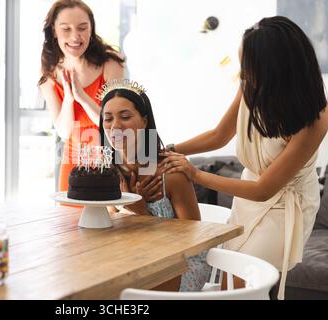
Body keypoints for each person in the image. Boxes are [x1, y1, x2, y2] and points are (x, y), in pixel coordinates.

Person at [160, 16, 328, 299]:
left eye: (249, 69)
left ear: (275, 69)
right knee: (230, 279)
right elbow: (219, 134)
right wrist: (170, 149)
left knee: (245, 285)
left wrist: (195, 174)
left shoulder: (316, 119)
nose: (243, 75)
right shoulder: (252, 85)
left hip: (284, 207)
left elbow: (264, 191)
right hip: (247, 196)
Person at [98, 79, 211, 291]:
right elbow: (109, 233)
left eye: (125, 117)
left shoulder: (170, 172)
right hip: (132, 261)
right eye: (108, 118)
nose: (115, 126)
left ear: (144, 121)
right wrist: (122, 205)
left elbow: (193, 241)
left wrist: (140, 212)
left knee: (120, 293)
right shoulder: (109, 172)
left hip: (180, 264)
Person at [38, 0, 125, 192]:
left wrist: (83, 97)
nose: (75, 37)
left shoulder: (110, 64)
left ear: (91, 28)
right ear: (54, 31)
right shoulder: (49, 73)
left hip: (110, 157)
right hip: (73, 161)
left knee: (111, 219)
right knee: (69, 221)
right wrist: (69, 99)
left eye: (82, 28)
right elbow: (64, 131)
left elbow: (113, 124)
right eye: (66, 29)